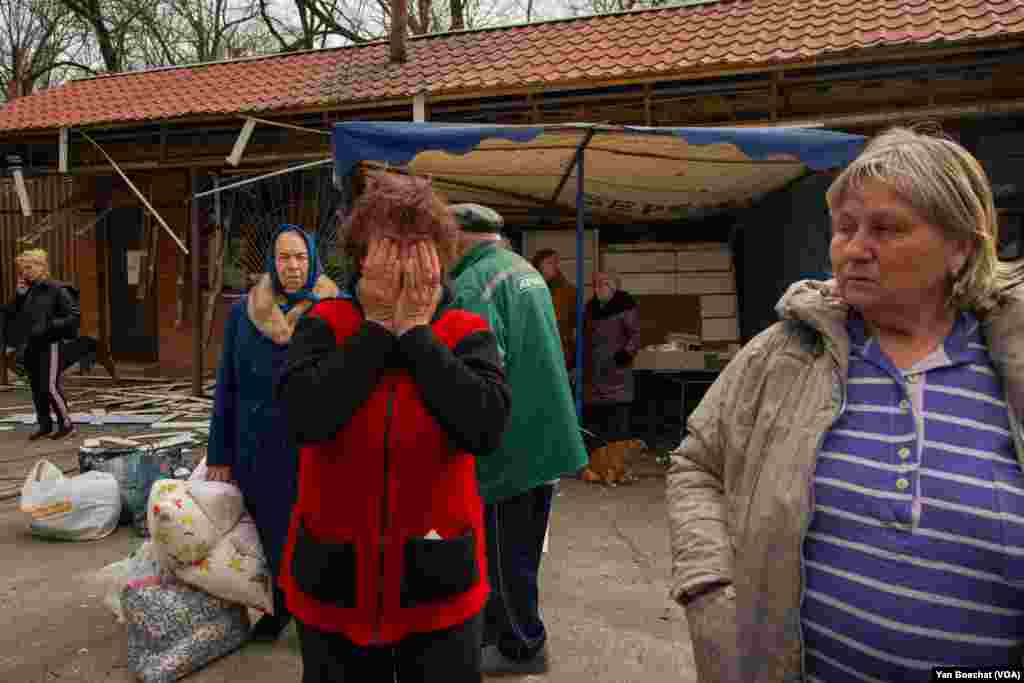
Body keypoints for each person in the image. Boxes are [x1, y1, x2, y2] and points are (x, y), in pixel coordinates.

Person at [666, 126, 1024, 683]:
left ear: (961, 247)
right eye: (845, 228)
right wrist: (711, 590)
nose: (855, 248)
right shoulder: (787, 350)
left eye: (886, 228)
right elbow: (696, 464)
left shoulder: (1011, 363)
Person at [275, 175, 511, 683]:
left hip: (439, 587)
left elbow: (485, 428)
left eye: (416, 247)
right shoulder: (326, 323)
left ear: (440, 257)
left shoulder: (466, 332)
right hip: (333, 583)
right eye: (388, 245)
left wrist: (418, 336)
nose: (403, 262)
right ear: (361, 253)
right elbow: (303, 419)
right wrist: (378, 329)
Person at [449, 204, 589, 674]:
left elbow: (483, 372)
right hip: (546, 436)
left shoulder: (474, 284)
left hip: (510, 447)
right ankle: (509, 634)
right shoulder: (523, 270)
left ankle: (520, 646)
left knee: (503, 556)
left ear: (462, 239)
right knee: (523, 550)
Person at [206, 224, 340, 642]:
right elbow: (226, 384)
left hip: (314, 445)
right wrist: (219, 455)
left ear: (313, 259)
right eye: (284, 257)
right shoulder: (243, 314)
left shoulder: (333, 311)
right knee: (268, 534)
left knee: (314, 532)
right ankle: (280, 608)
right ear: (272, 262)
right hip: (257, 444)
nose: (293, 266)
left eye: (300, 256)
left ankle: (316, 613)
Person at [6, 249, 80, 440]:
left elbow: (73, 316)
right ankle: (45, 425)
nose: (25, 272)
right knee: (36, 388)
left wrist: (49, 325)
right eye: (22, 269)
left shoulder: (57, 289)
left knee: (50, 386)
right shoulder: (28, 290)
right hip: (31, 344)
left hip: (50, 343)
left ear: (42, 266)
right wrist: (19, 296)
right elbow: (12, 315)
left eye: (29, 267)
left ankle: (67, 425)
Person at [579, 270, 640, 448]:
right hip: (594, 375)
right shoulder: (590, 308)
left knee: (617, 422)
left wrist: (625, 354)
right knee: (596, 423)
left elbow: (635, 335)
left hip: (616, 373)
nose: (598, 288)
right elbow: (585, 337)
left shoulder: (625, 307)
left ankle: (617, 460)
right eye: (596, 284)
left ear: (614, 287)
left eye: (603, 283)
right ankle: (598, 460)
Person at [531, 249, 577, 368]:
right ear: (539, 265)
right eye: (550, 262)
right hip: (535, 350)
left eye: (556, 262)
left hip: (561, 352)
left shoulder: (568, 291)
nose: (555, 266)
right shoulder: (529, 289)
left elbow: (577, 322)